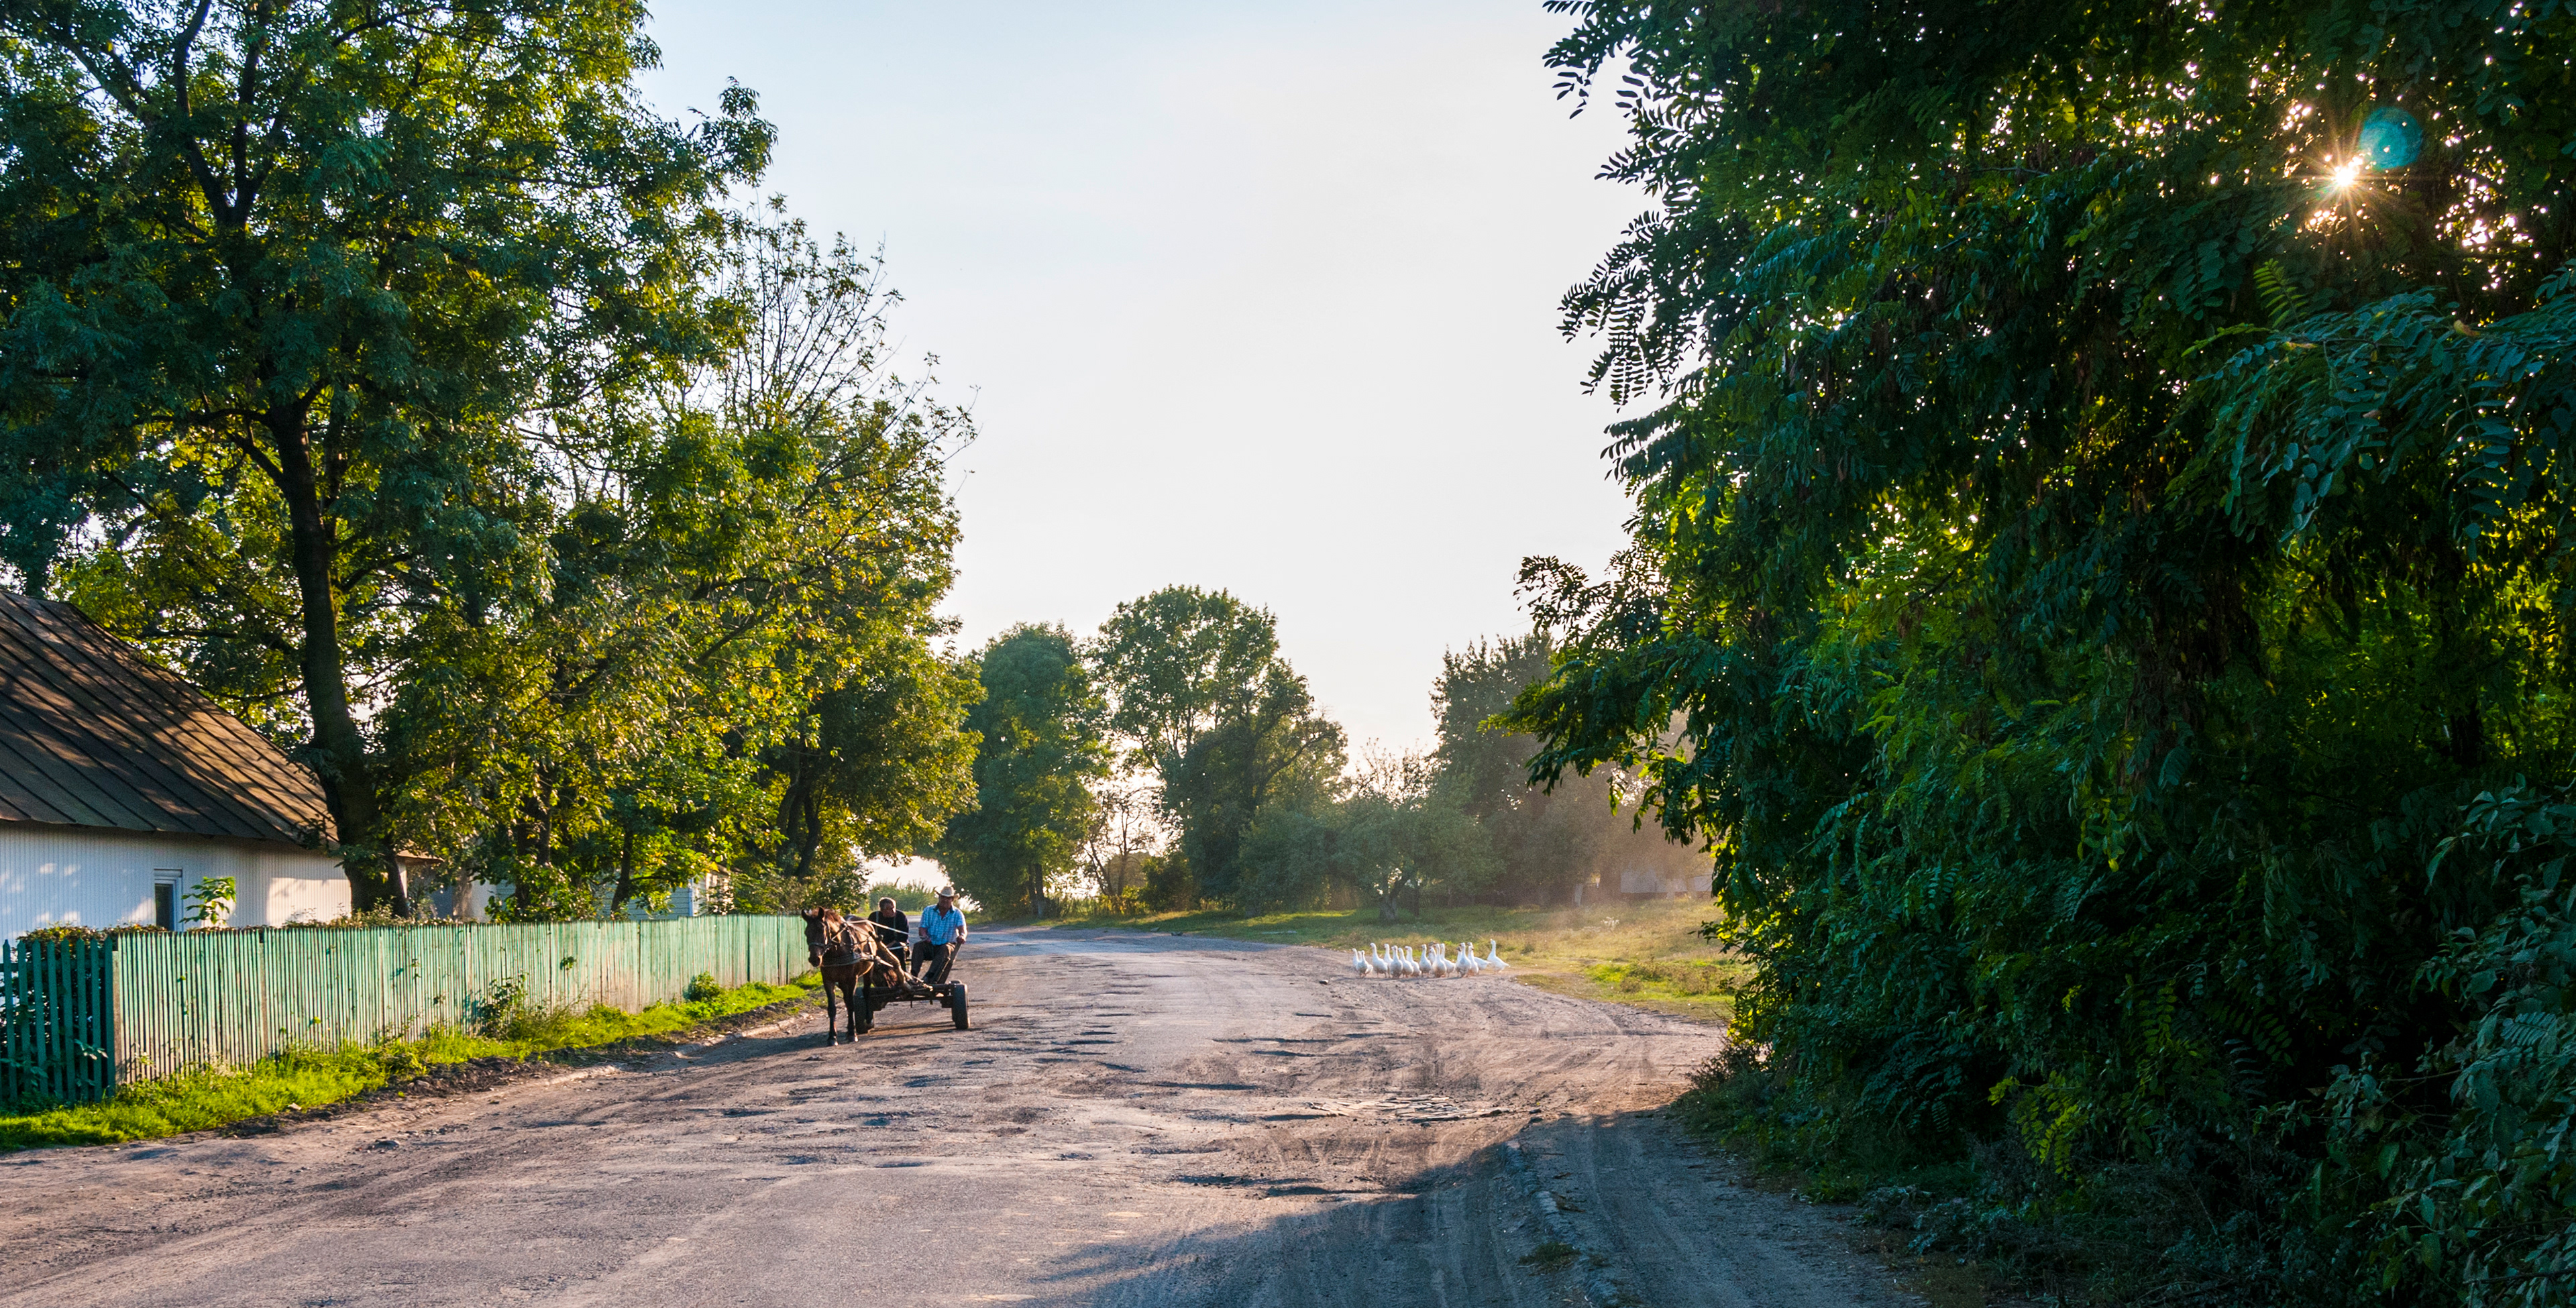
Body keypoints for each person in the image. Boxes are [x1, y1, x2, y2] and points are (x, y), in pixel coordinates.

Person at [914, 885, 967, 985]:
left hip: (948, 945)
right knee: (918, 946)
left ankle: (930, 976)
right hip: (930, 944)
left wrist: (962, 936)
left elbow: (962, 929)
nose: (945, 900)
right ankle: (913, 976)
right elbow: (922, 928)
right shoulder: (928, 910)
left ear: (952, 900)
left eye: (948, 898)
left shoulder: (957, 913)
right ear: (939, 898)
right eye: (943, 897)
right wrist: (925, 936)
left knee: (945, 949)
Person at [866, 896, 910, 965]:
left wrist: (888, 946)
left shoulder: (900, 916)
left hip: (895, 944)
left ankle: (903, 971)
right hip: (877, 944)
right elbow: (868, 933)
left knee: (899, 947)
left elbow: (903, 936)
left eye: (894, 908)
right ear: (882, 910)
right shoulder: (874, 916)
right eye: (890, 909)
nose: (893, 911)